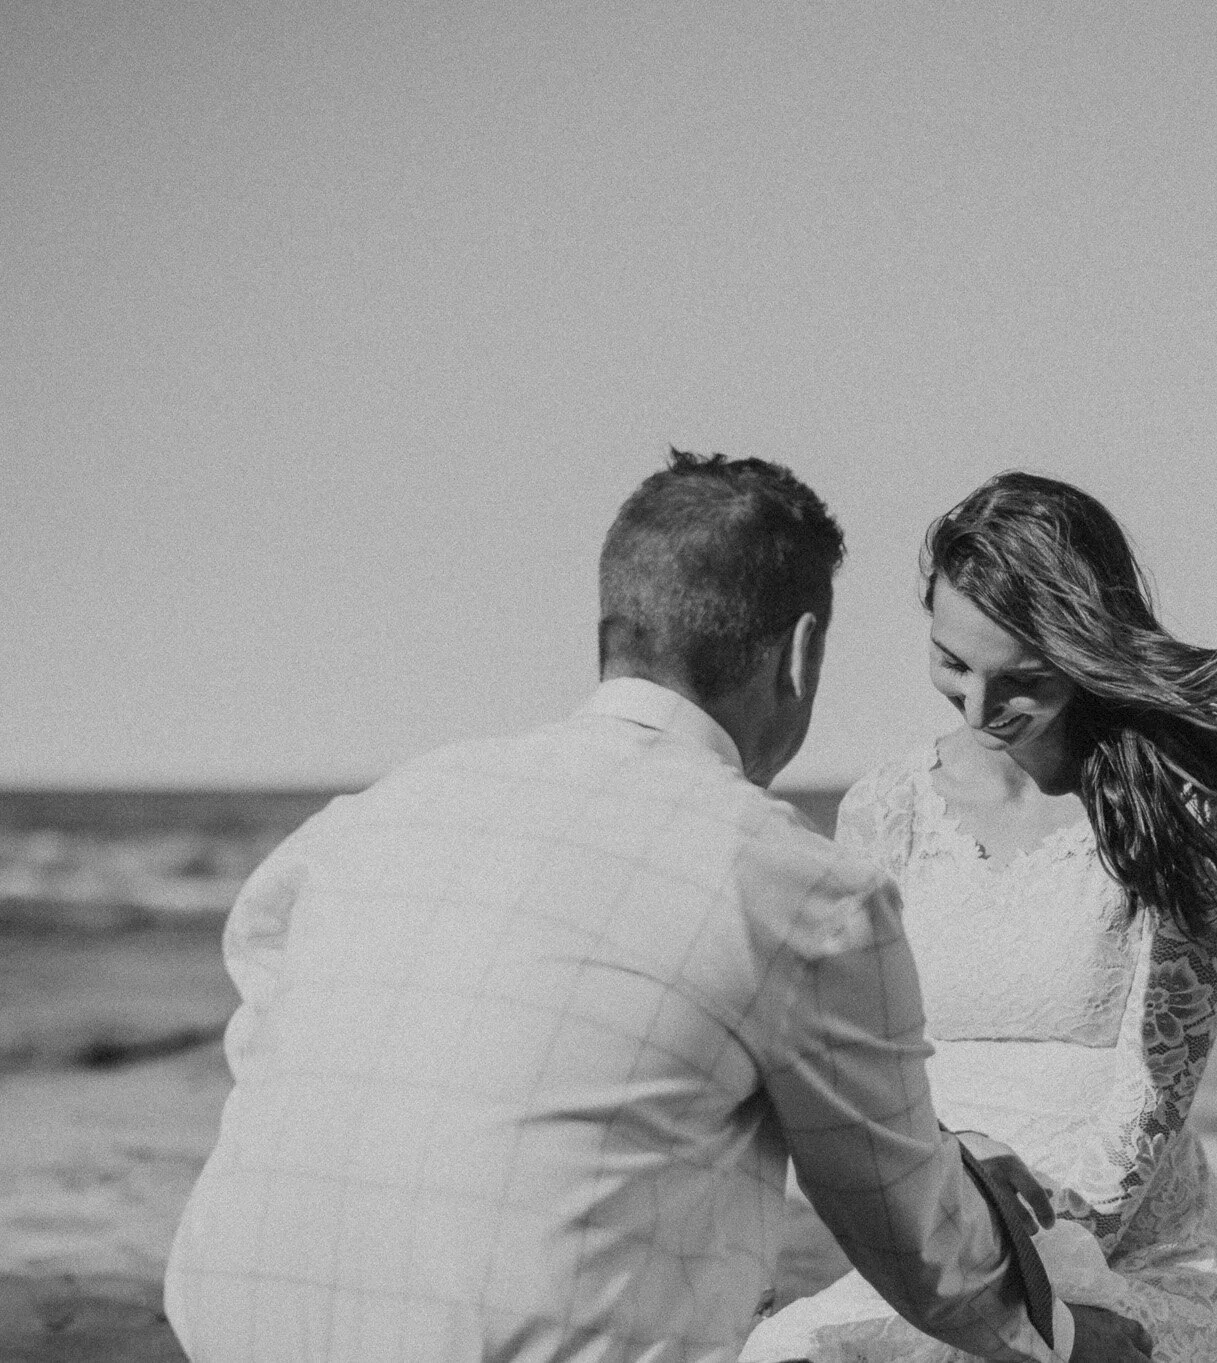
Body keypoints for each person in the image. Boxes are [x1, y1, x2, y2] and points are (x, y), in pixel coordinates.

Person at [164, 452, 1152, 1363]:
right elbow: (921, 1251)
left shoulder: (360, 822)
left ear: (611, 632)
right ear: (799, 654)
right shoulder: (792, 885)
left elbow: (271, 1037)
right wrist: (1074, 1333)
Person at [742, 472, 1217, 1363]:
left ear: (1087, 651)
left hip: (1120, 1231)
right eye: (953, 662)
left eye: (1024, 679)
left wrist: (1032, 1252)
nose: (982, 708)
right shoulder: (885, 809)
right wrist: (942, 1214)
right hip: (947, 1222)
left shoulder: (1173, 807)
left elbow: (1155, 1091)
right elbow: (860, 1062)